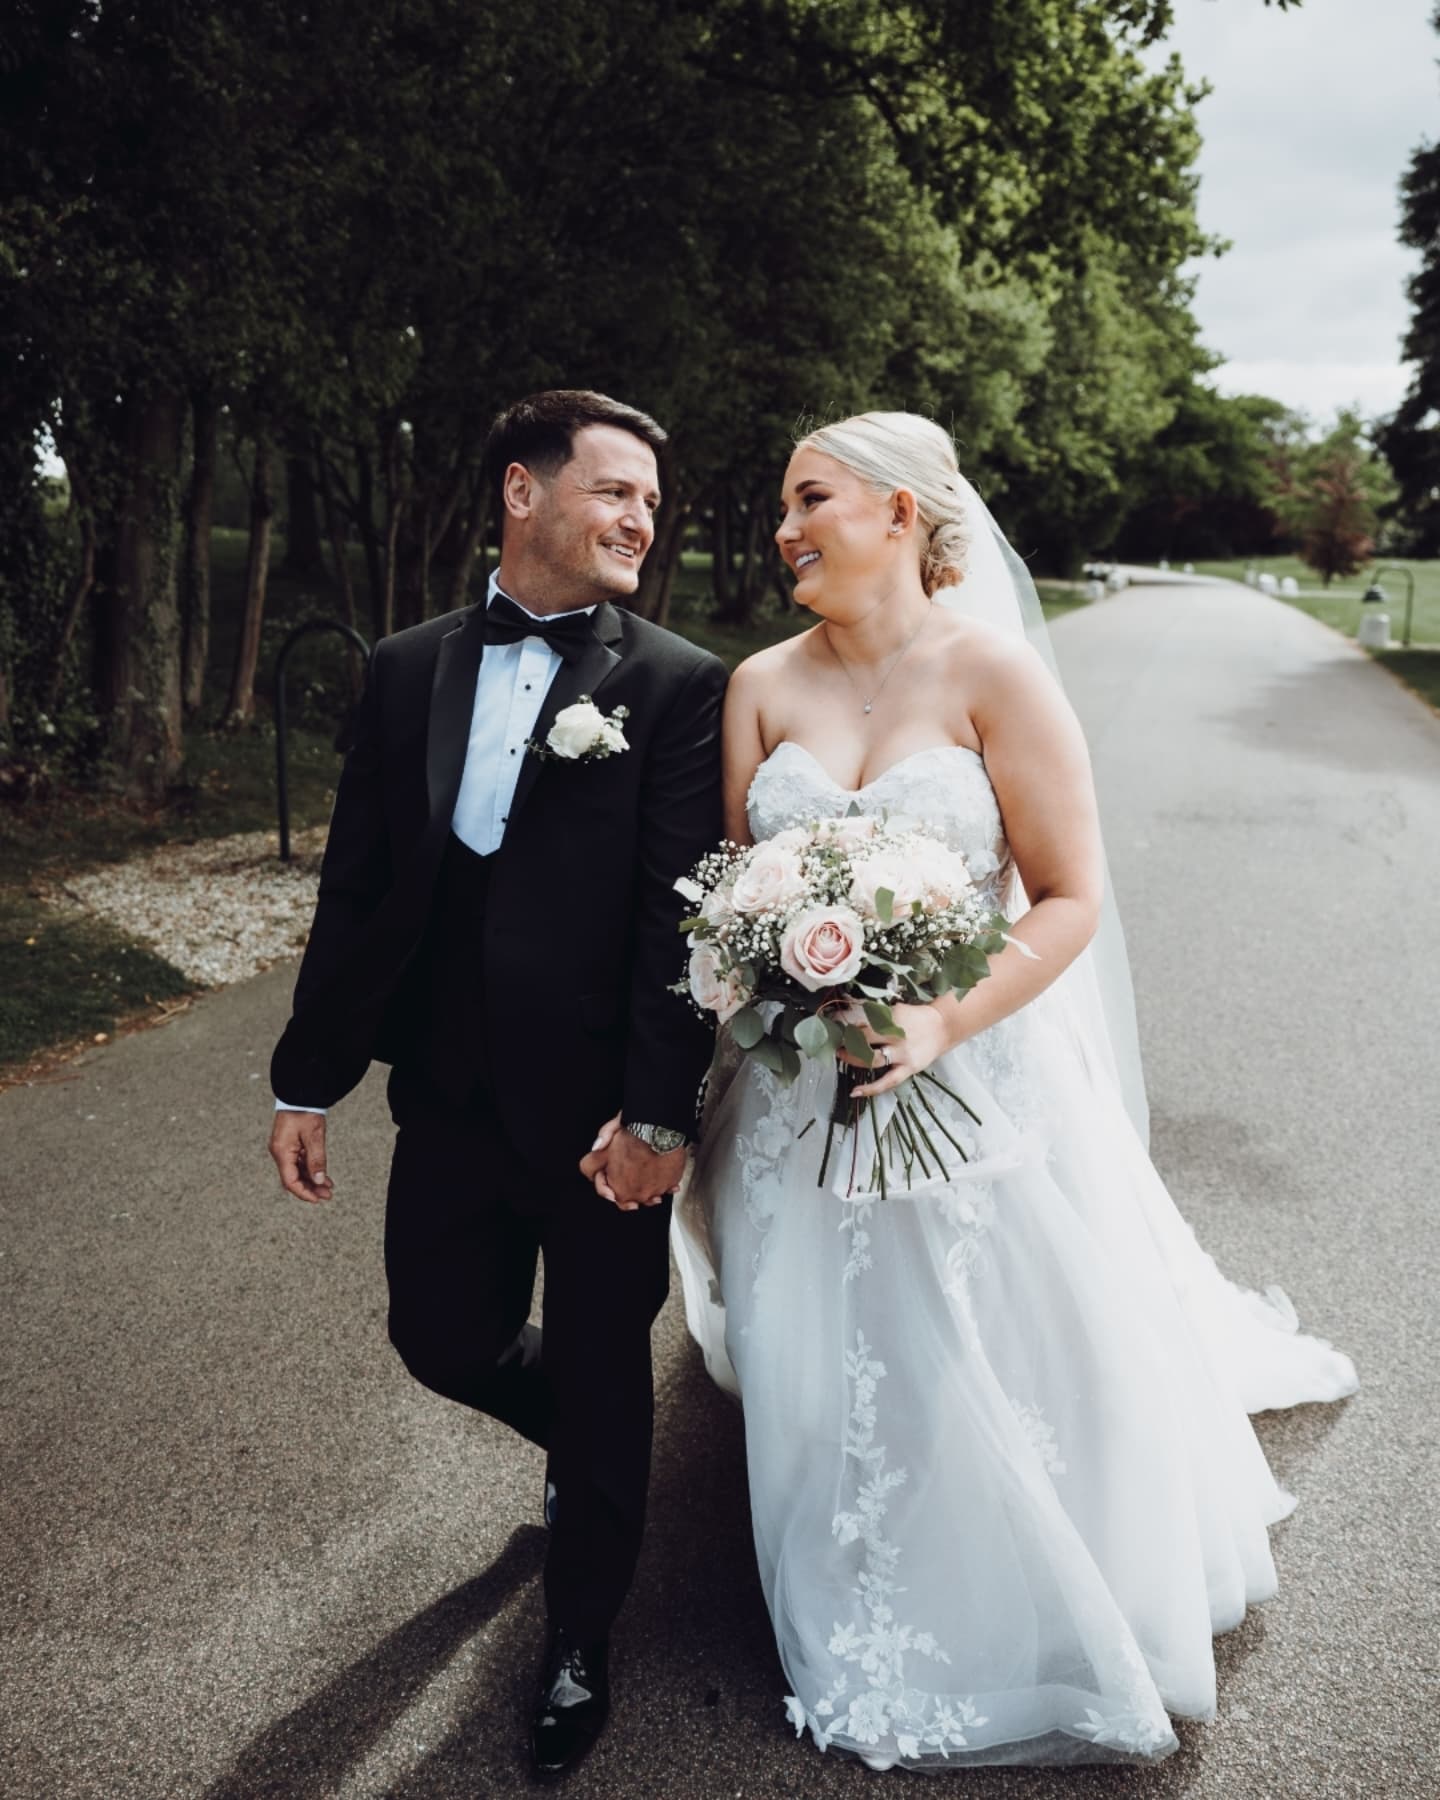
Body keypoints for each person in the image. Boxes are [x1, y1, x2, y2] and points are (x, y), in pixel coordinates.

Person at [657, 411, 1357, 1768]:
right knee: (821, 1343)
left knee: (982, 1332)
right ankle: (844, 1572)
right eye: (779, 507)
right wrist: (770, 985)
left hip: (973, 1074)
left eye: (811, 499)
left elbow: (1072, 895)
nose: (782, 530)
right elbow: (731, 901)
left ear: (907, 512)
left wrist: (939, 1014)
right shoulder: (757, 687)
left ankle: (1005, 1585)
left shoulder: (996, 675)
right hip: (800, 1092)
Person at [268, 389, 727, 1780]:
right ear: (523, 494)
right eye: (615, 491)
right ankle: (591, 1451)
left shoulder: (674, 683)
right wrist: (305, 1079)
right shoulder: (405, 667)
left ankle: (582, 1636)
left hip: (600, 1123)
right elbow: (360, 886)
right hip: (452, 1096)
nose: (640, 517)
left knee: (601, 1363)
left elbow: (676, 922)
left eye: (651, 499)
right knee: (441, 1340)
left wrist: (658, 1117)